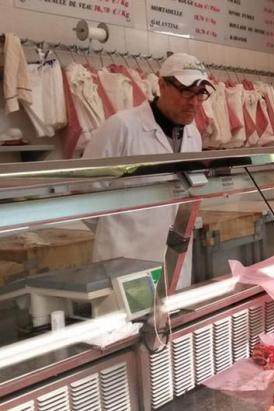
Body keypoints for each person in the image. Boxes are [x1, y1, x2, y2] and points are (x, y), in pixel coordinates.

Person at [83, 53, 213, 290]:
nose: (194, 102)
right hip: (125, 262)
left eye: (200, 94)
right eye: (186, 92)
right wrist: (120, 232)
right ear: (162, 85)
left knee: (172, 325)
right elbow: (83, 194)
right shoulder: (121, 127)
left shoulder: (193, 133)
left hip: (174, 260)